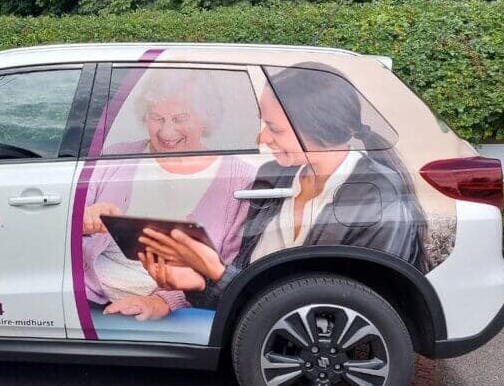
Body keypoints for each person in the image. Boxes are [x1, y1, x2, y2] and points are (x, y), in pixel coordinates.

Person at [139, 65, 431, 307]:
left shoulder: (377, 197)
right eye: (263, 124)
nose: (262, 138)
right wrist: (199, 283)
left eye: (275, 128)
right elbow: (247, 293)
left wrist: (216, 272)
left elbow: (345, 311)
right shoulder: (272, 177)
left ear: (320, 127)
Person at [82, 69, 255, 320]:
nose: (166, 132)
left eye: (180, 118)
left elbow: (228, 270)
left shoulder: (239, 178)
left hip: (174, 315)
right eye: (157, 118)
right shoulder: (114, 157)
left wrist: (163, 301)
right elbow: (64, 226)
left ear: (205, 118)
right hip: (91, 299)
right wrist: (86, 218)